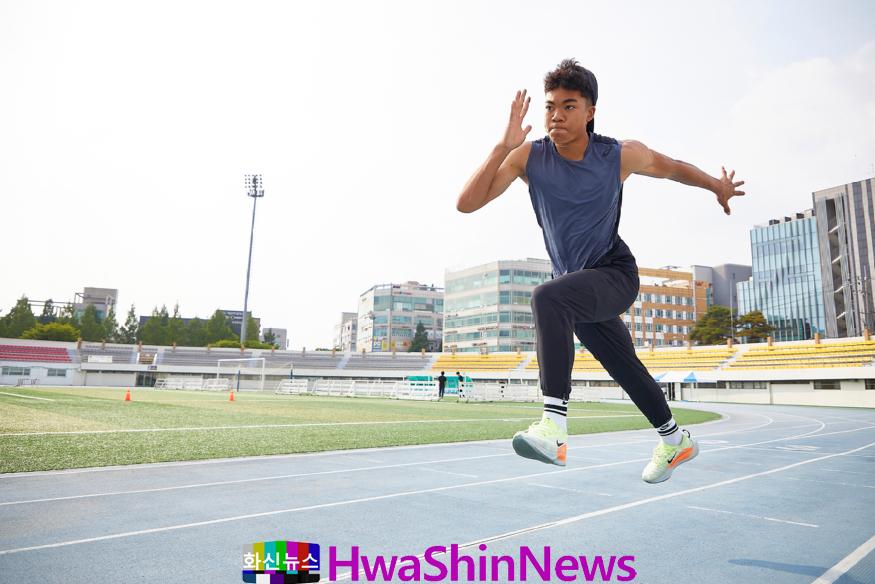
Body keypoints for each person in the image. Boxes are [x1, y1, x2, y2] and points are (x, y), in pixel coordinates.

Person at [455, 59, 745, 484]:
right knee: (623, 366)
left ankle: (553, 429)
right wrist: (501, 146)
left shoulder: (619, 154)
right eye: (550, 106)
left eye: (569, 106)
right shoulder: (528, 158)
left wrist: (716, 186)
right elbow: (467, 203)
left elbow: (675, 168)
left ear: (590, 111)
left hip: (613, 272)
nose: (556, 115)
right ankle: (675, 439)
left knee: (547, 296)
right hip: (578, 288)